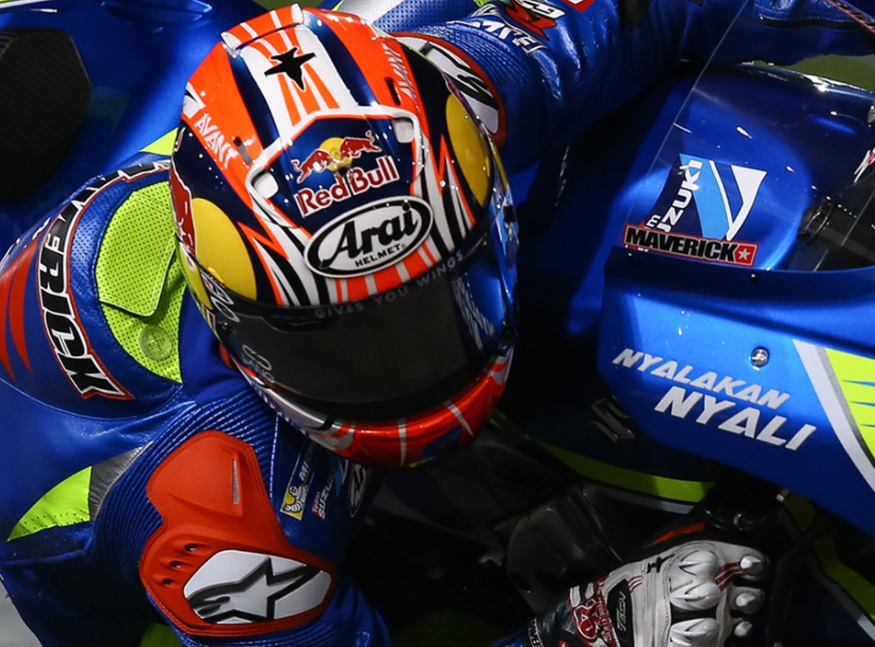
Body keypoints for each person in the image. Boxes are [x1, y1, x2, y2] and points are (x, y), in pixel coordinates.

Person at [0, 0, 869, 646]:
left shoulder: (435, 100)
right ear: (229, 316)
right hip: (140, 570)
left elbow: (640, 8)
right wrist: (582, 632)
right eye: (344, 347)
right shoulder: (206, 498)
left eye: (439, 298)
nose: (410, 372)